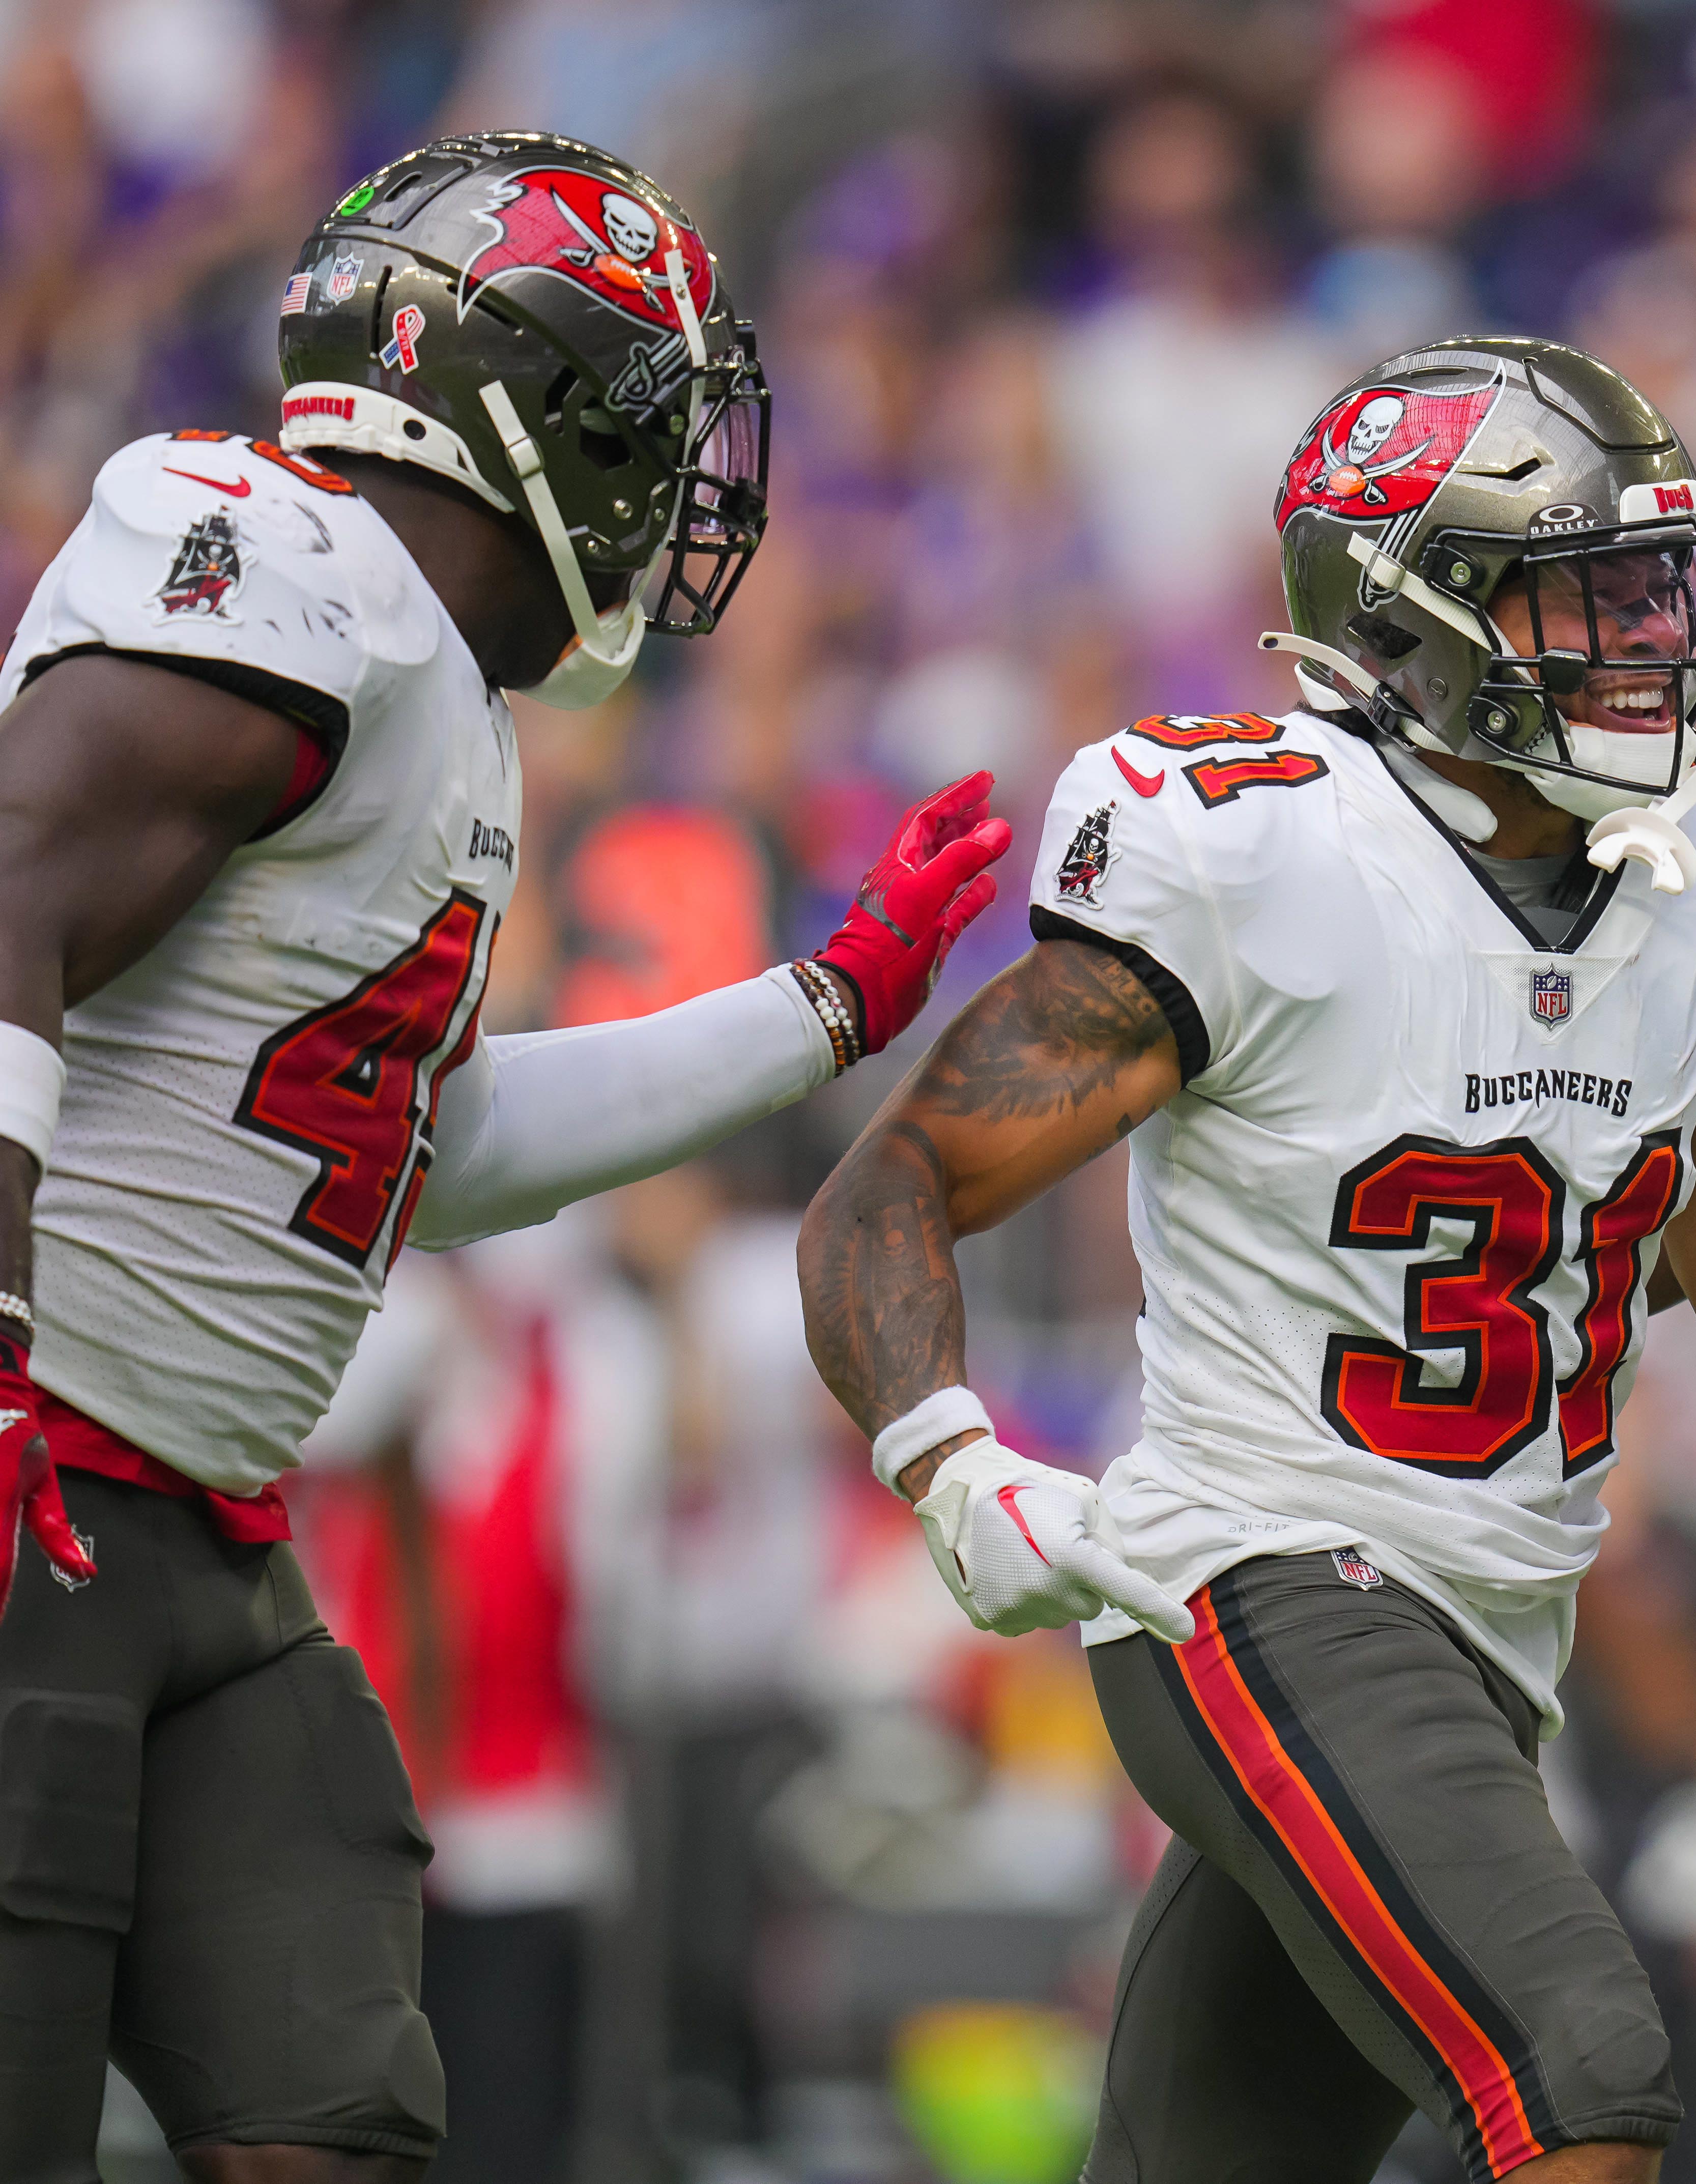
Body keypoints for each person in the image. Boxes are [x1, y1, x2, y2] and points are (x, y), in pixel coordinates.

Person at [796, 337, 1696, 2184]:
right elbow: (889, 1186)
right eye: (1585, 599)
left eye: (1659, 590)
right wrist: (948, 1457)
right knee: (1584, 2071)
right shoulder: (1255, 857)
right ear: (1408, 631)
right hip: (1254, 1574)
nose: (1648, 643)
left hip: (1490, 1625)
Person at [0, 133, 1011, 2183]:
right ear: (515, 411)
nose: (666, 491)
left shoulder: (429, 696)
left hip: (204, 1538)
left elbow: (403, 1148)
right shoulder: (272, 557)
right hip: (45, 1475)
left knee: (341, 2115)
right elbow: (7, 882)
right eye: (643, 426)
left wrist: (823, 1003)